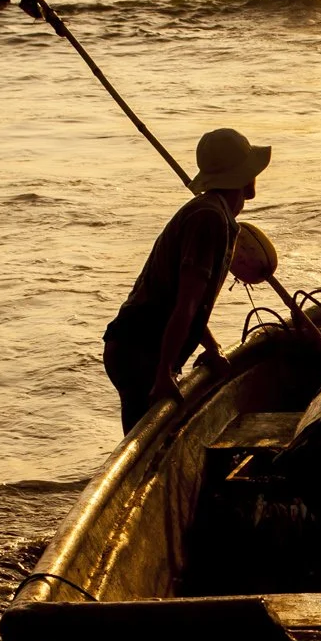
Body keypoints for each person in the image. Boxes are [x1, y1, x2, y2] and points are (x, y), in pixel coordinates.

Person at [102, 129, 266, 433]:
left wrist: (212, 348)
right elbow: (186, 303)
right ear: (245, 179)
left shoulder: (215, 214)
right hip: (139, 349)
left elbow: (189, 303)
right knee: (149, 440)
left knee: (150, 436)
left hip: (139, 346)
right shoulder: (209, 219)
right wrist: (164, 372)